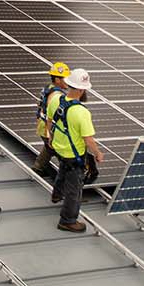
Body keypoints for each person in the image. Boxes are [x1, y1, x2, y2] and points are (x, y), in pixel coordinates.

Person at [48, 69, 101, 231]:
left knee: (63, 170)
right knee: (74, 189)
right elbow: (88, 139)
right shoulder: (81, 112)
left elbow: (50, 121)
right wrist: (97, 153)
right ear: (81, 89)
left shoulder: (56, 100)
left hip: (59, 147)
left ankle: (57, 194)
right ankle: (68, 220)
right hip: (74, 154)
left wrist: (51, 139)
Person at [32, 62, 70, 176]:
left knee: (49, 148)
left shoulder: (48, 88)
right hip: (48, 129)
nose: (68, 81)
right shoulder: (56, 95)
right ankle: (67, 174)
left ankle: (38, 167)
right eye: (66, 78)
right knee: (59, 150)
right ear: (58, 80)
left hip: (42, 125)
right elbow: (53, 114)